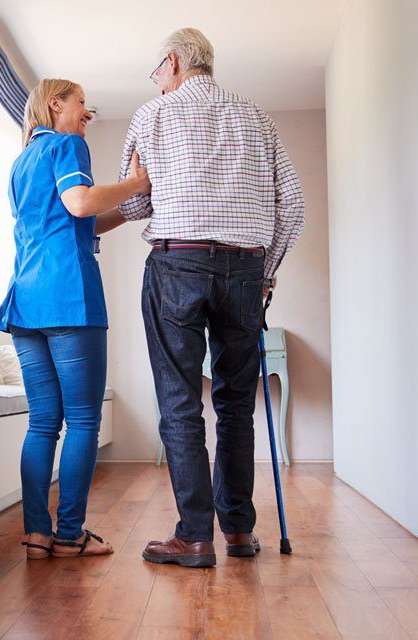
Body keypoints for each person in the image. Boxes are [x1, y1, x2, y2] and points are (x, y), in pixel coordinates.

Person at [117, 28, 305, 567]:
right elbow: (291, 206)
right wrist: (263, 272)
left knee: (180, 403)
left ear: (173, 63)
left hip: (177, 261)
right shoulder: (258, 117)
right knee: (236, 405)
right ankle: (240, 533)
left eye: (157, 72)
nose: (156, 82)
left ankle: (195, 536)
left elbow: (133, 203)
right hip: (245, 267)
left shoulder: (153, 116)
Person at [0, 78, 150, 559]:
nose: (88, 114)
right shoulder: (68, 145)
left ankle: (37, 532)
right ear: (55, 103)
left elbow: (77, 218)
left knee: (43, 422)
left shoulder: (21, 163)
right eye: (82, 103)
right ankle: (69, 535)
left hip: (25, 301)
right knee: (82, 419)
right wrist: (136, 184)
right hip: (69, 298)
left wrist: (128, 209)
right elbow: (80, 203)